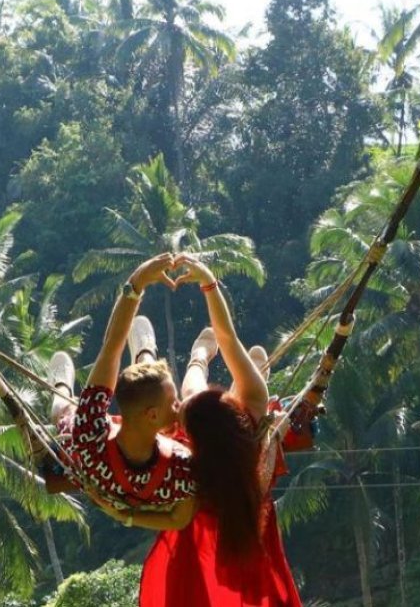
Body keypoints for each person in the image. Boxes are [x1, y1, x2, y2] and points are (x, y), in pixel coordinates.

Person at [98, 254, 301, 606]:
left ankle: (188, 357)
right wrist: (209, 283)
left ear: (188, 436)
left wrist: (125, 514)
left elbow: (170, 515)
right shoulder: (254, 406)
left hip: (202, 532)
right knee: (204, 392)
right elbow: (227, 336)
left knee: (183, 394)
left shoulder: (184, 464)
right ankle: (227, 364)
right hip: (244, 521)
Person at [48, 252, 197, 527]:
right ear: (153, 415)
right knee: (64, 411)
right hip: (105, 452)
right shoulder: (182, 467)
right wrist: (136, 283)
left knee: (75, 414)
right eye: (174, 403)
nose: (180, 407)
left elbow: (112, 346)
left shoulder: (89, 434)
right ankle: (61, 386)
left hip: (107, 457)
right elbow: (111, 347)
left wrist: (125, 516)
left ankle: (145, 356)